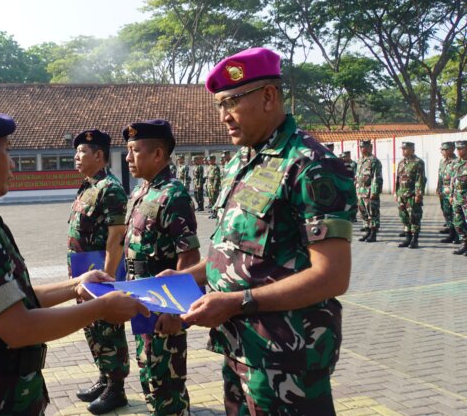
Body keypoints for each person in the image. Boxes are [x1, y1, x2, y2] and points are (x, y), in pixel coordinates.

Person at [0, 105, 148, 416]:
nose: (12, 162)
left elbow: (10, 299)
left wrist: (76, 285)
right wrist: (101, 308)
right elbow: (18, 327)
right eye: (6, 149)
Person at [171, 47, 355, 415]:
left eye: (231, 102)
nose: (223, 116)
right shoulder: (242, 161)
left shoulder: (310, 164)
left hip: (288, 358)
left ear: (268, 97)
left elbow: (332, 276)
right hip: (240, 347)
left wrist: (236, 302)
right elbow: (234, 252)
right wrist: (184, 279)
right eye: (219, 105)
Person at [123, 119, 200, 415]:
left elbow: (189, 257)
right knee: (149, 373)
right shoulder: (141, 192)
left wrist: (174, 311)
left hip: (162, 306)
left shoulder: (173, 195)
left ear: (157, 154)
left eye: (134, 150)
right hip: (141, 301)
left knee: (167, 383)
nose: (128, 158)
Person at [68, 129, 130, 414]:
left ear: (99, 155)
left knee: (109, 328)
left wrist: (107, 278)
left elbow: (116, 237)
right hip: (85, 271)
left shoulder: (110, 188)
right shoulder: (88, 186)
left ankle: (116, 388)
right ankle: (104, 378)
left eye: (82, 152)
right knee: (92, 326)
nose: (76, 157)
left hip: (101, 272)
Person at [395, 142, 426, 249]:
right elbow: (398, 179)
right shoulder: (401, 163)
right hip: (402, 195)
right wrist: (396, 193)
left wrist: (418, 195)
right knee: (404, 217)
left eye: (406, 149)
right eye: (402, 149)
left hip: (412, 195)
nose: (403, 151)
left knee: (414, 217)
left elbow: (420, 179)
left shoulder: (418, 162)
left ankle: (415, 240)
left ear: (412, 149)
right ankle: (407, 238)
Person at [356, 140, 383, 243]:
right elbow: (358, 176)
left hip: (369, 192)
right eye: (360, 147)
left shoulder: (374, 161)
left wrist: (374, 192)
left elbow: (377, 178)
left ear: (370, 148)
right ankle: (367, 231)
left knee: (373, 213)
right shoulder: (360, 160)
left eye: (363, 147)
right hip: (360, 192)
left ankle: (373, 233)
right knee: (363, 213)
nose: (361, 149)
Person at [437, 142, 458, 244]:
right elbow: (440, 175)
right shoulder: (442, 161)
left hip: (452, 192)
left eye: (445, 149)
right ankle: (450, 230)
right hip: (443, 191)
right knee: (446, 212)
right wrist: (438, 188)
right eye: (442, 150)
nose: (443, 152)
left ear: (452, 149)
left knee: (454, 213)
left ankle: (456, 235)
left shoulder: (456, 161)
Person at [449, 141, 467, 255]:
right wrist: (451, 195)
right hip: (457, 198)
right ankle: (464, 244)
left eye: (461, 148)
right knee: (458, 223)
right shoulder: (455, 163)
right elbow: (452, 180)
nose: (459, 151)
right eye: (458, 149)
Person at [206, 155, 221, 219]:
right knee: (211, 199)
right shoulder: (209, 167)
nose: (209, 161)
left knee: (215, 199)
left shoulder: (216, 167)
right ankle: (213, 212)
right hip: (209, 185)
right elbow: (207, 177)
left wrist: (214, 186)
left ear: (214, 160)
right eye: (208, 160)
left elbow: (216, 178)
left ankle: (216, 213)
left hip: (214, 186)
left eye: (210, 160)